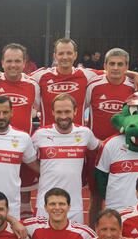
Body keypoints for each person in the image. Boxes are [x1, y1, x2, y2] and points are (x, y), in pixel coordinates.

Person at [31, 93, 99, 224]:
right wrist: (44, 170)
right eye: (59, 112)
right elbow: (27, 157)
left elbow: (101, 147)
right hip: (45, 205)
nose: (63, 116)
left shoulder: (85, 133)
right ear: (52, 112)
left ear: (75, 111)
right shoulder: (40, 134)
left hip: (74, 206)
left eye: (67, 111)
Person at [85, 48, 138, 141]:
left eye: (120, 64)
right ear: (105, 66)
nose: (115, 68)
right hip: (96, 145)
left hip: (123, 145)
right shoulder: (93, 85)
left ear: (127, 67)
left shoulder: (135, 87)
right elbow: (80, 109)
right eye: (112, 63)